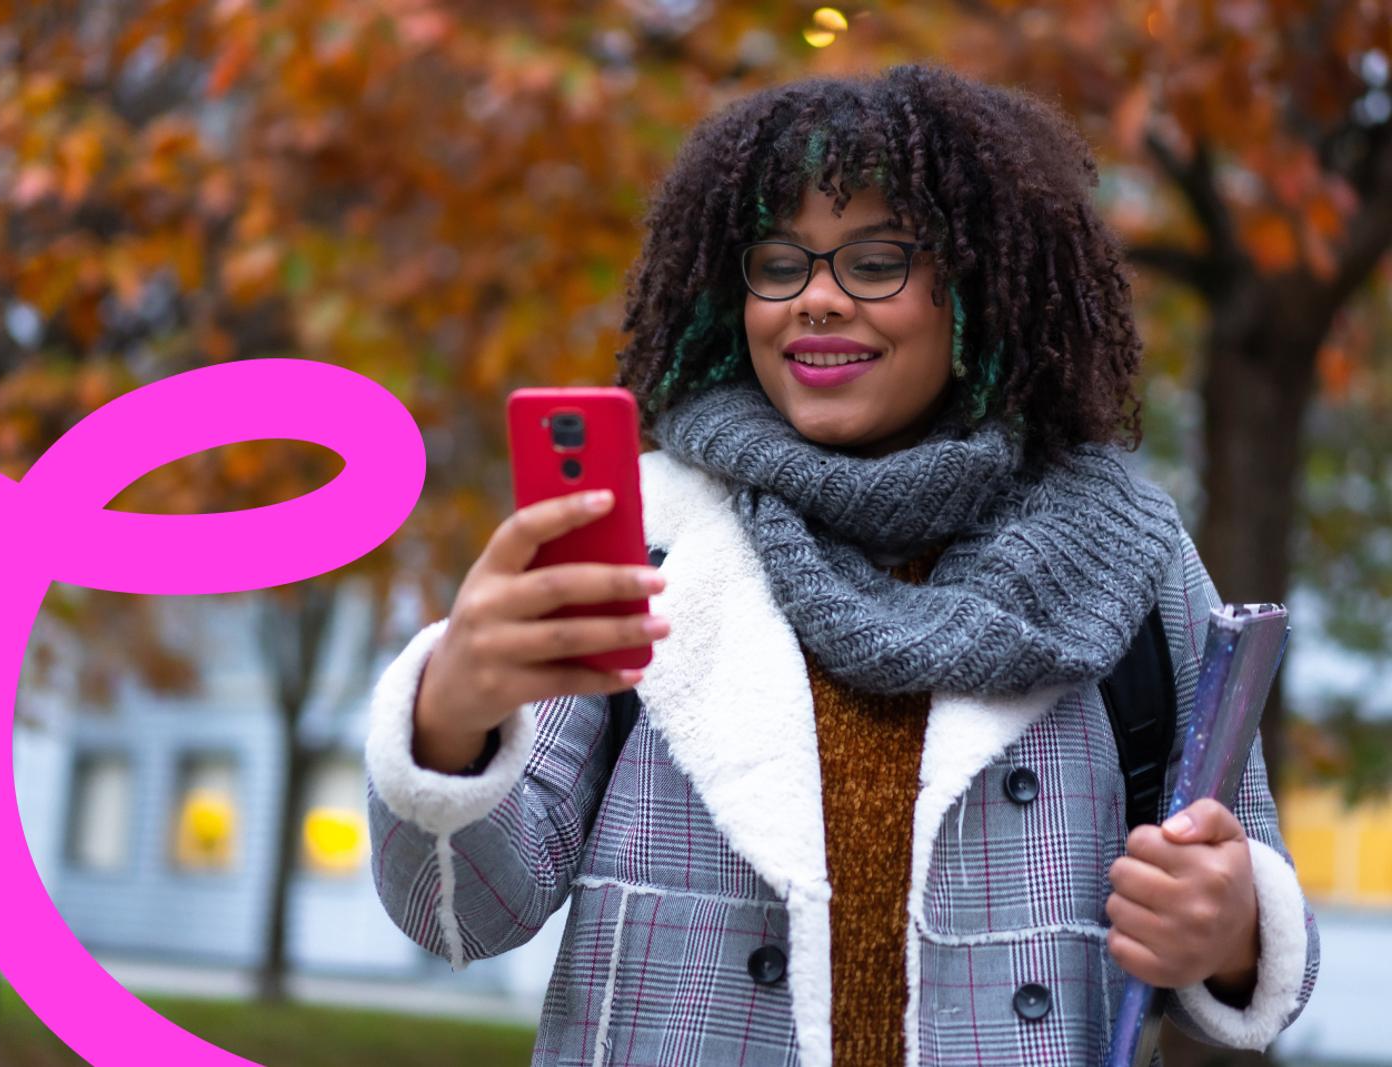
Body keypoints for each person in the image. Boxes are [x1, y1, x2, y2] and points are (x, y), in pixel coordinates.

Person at [362, 65, 1320, 1067]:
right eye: (778, 262)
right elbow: (462, 915)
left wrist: (1229, 930)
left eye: (874, 260)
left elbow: (1247, 888)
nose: (814, 299)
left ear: (979, 286)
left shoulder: (1126, 547)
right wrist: (451, 719)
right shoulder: (645, 531)